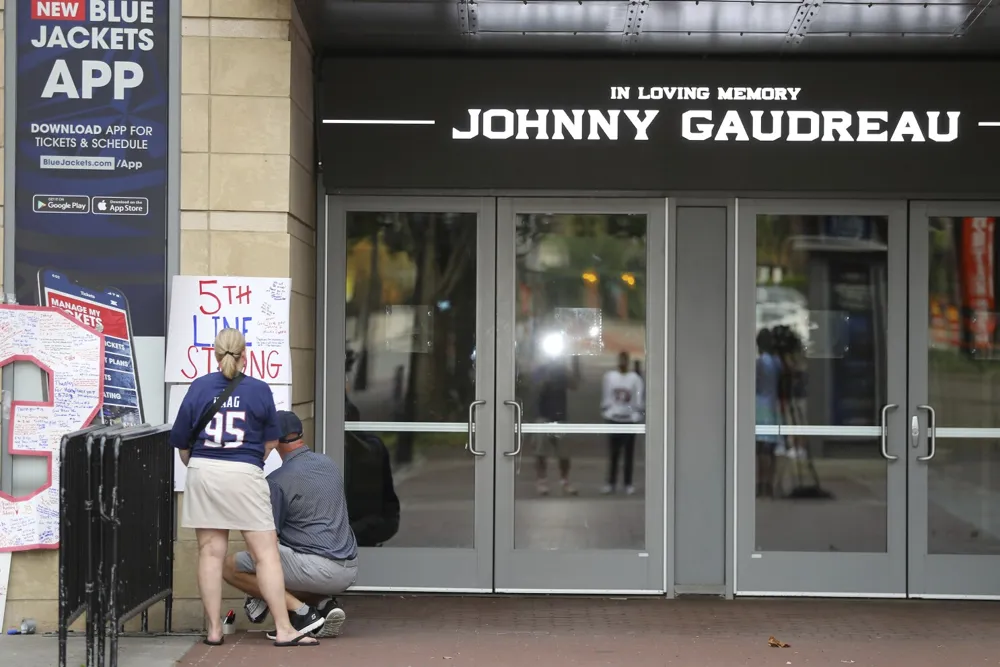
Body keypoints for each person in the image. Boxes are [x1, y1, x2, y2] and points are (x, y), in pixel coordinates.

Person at [169, 329, 320, 647]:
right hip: (244, 473)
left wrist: (201, 466)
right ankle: (284, 628)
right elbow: (270, 442)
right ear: (245, 355)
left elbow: (182, 443)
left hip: (203, 473)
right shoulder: (259, 390)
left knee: (210, 553)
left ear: (214, 353)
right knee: (265, 555)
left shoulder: (198, 388)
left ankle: (212, 630)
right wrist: (249, 461)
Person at [225, 410, 359, 639]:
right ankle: (323, 604)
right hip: (349, 569)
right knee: (280, 564)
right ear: (301, 434)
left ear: (274, 440)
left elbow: (266, 539)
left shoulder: (277, 481)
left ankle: (302, 614)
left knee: (229, 566)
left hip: (317, 569)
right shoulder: (328, 464)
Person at [533, 354, 580, 496]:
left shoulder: (563, 370)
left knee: (564, 453)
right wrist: (547, 374)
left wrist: (572, 366)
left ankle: (565, 481)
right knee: (541, 451)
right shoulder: (541, 369)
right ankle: (542, 481)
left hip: (561, 416)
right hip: (544, 415)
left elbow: (574, 386)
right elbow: (537, 387)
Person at [600, 351, 645, 495]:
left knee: (628, 454)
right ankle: (611, 482)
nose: (622, 363)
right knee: (613, 453)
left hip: (629, 420)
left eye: (625, 360)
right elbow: (606, 396)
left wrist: (636, 414)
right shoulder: (610, 377)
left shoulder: (635, 379)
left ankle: (628, 483)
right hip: (614, 419)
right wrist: (607, 412)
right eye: (621, 360)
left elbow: (638, 400)